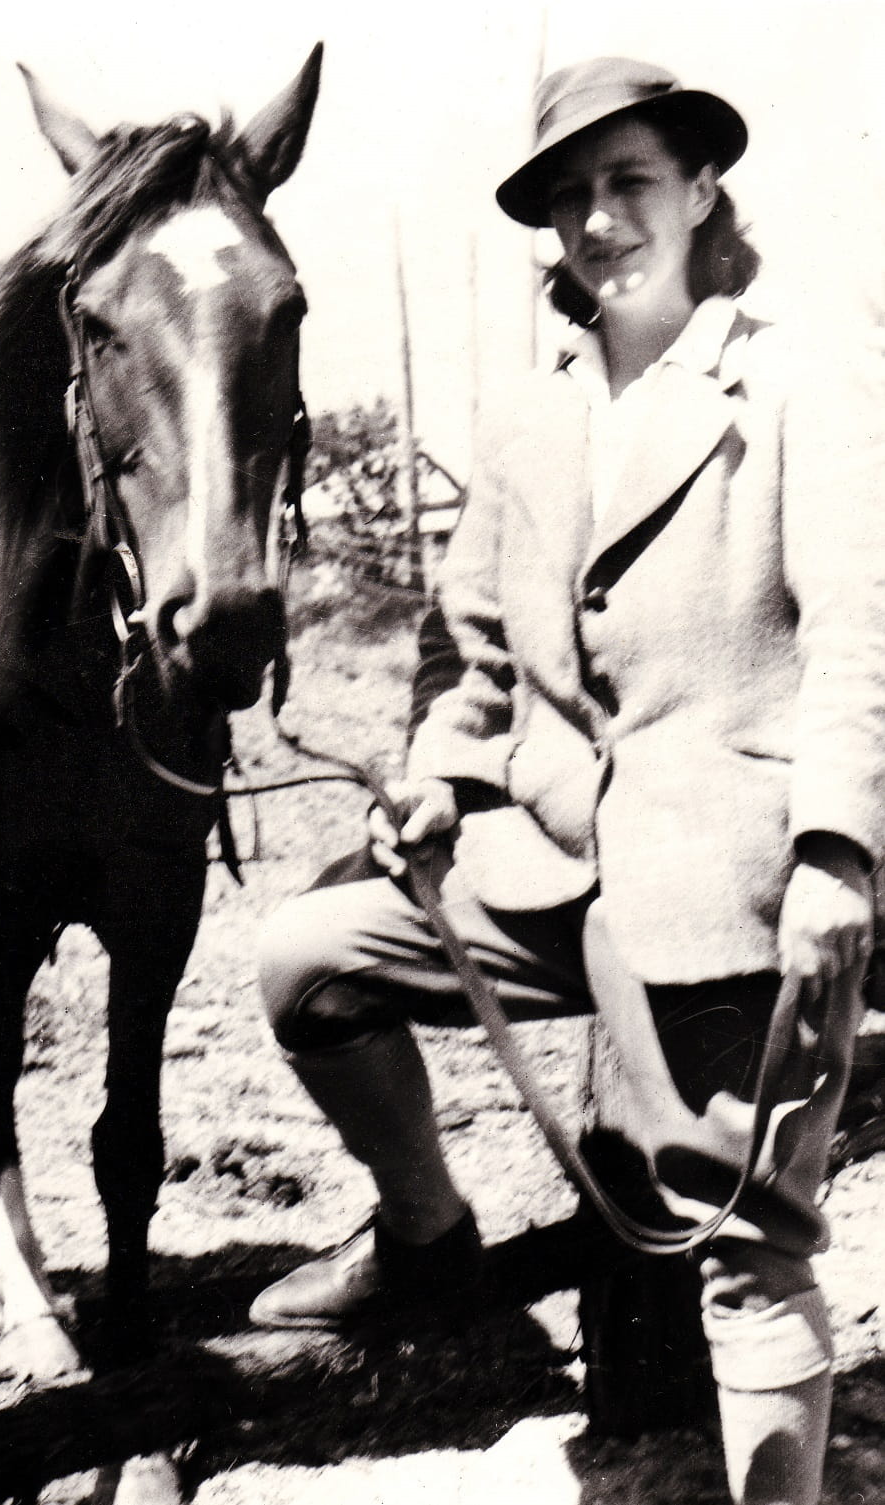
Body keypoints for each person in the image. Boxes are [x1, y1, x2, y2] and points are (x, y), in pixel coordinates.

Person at [249, 55, 885, 1505]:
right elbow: (474, 656)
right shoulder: (529, 417)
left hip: (732, 882)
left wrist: (839, 856)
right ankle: (425, 1228)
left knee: (747, 1242)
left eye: (632, 184)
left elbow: (865, 625)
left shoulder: (793, 381)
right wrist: (431, 778)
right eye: (574, 199)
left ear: (703, 190)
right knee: (308, 958)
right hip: (543, 870)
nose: (601, 223)